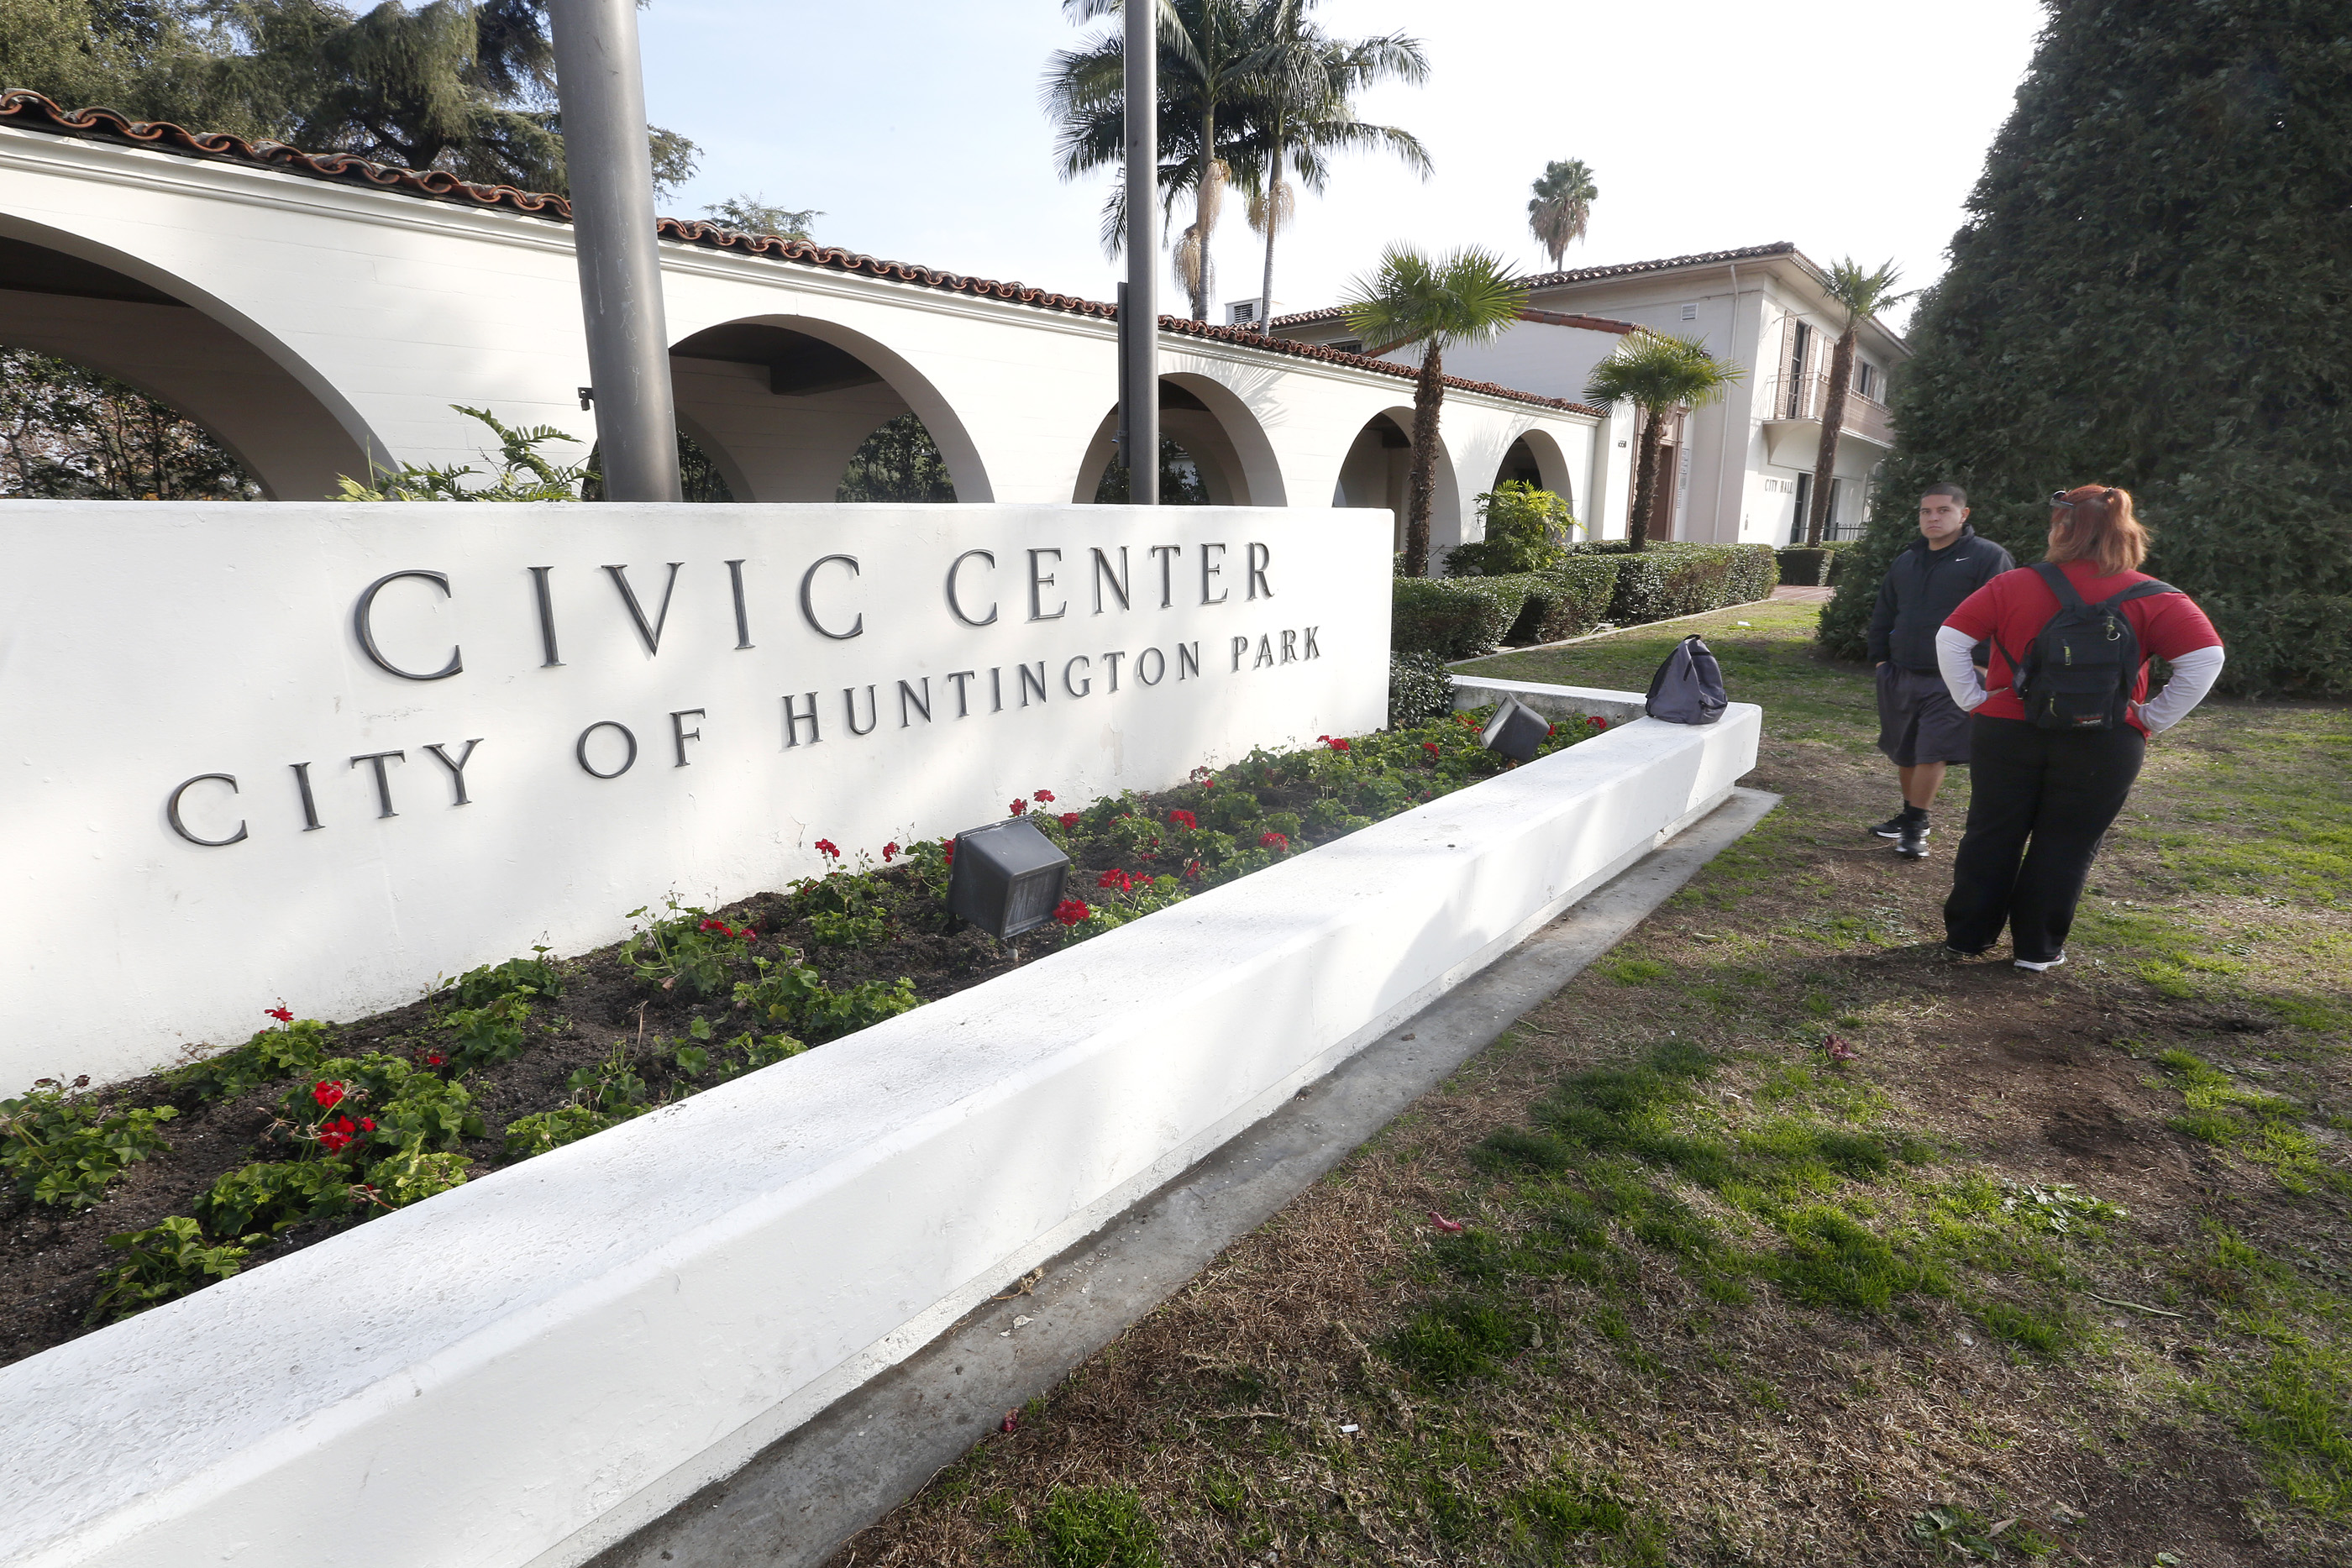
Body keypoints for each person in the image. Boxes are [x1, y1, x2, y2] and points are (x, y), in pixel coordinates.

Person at [1935, 485, 2225, 971]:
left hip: (2008, 727)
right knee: (2068, 843)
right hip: (2106, 738)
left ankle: (1967, 937)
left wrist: (1973, 699)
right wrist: (2150, 717)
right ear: (2128, 532)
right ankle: (2036, 950)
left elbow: (1950, 638)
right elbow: (2205, 658)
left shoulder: (2015, 584)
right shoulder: (2159, 597)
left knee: (1991, 833)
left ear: (2062, 527)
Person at [1865, 484, 2015, 858]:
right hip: (1900, 672)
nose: (1933, 518)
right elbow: (1885, 612)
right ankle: (1909, 814)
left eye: (1943, 510)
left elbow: (2006, 616)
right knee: (1904, 749)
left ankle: (1916, 826)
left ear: (1963, 515)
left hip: (1954, 675)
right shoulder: (1907, 560)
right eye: (1926, 512)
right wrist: (1881, 660)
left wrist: (1981, 665)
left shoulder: (1988, 558)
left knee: (1931, 749)